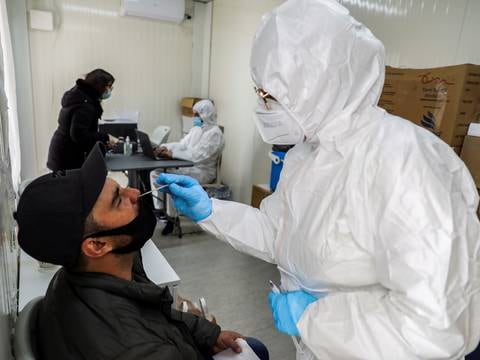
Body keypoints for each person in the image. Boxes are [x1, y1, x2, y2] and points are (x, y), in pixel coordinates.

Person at [155, 0, 480, 359]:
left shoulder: (408, 163)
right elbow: (279, 234)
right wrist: (209, 211)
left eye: (270, 96)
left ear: (317, 87)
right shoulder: (307, 154)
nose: (262, 106)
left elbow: (439, 326)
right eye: (260, 93)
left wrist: (314, 317)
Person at [15, 143, 269, 360]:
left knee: (253, 346)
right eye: (118, 200)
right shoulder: (134, 349)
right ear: (96, 245)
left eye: (120, 187)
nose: (135, 192)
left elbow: (156, 314)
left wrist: (209, 334)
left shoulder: (97, 271)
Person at [150, 99, 224, 235]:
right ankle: (162, 210)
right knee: (157, 172)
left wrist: (172, 154)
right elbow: (182, 144)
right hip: (190, 166)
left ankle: (173, 218)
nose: (194, 118)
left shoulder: (215, 133)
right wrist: (165, 148)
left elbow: (198, 155)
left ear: (205, 115)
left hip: (203, 171)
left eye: (196, 115)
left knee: (171, 180)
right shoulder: (197, 129)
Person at [47, 68, 117, 171]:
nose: (110, 90)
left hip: (61, 154)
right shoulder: (85, 105)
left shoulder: (79, 96)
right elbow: (79, 135)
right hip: (67, 159)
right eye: (109, 86)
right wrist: (106, 137)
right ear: (100, 86)